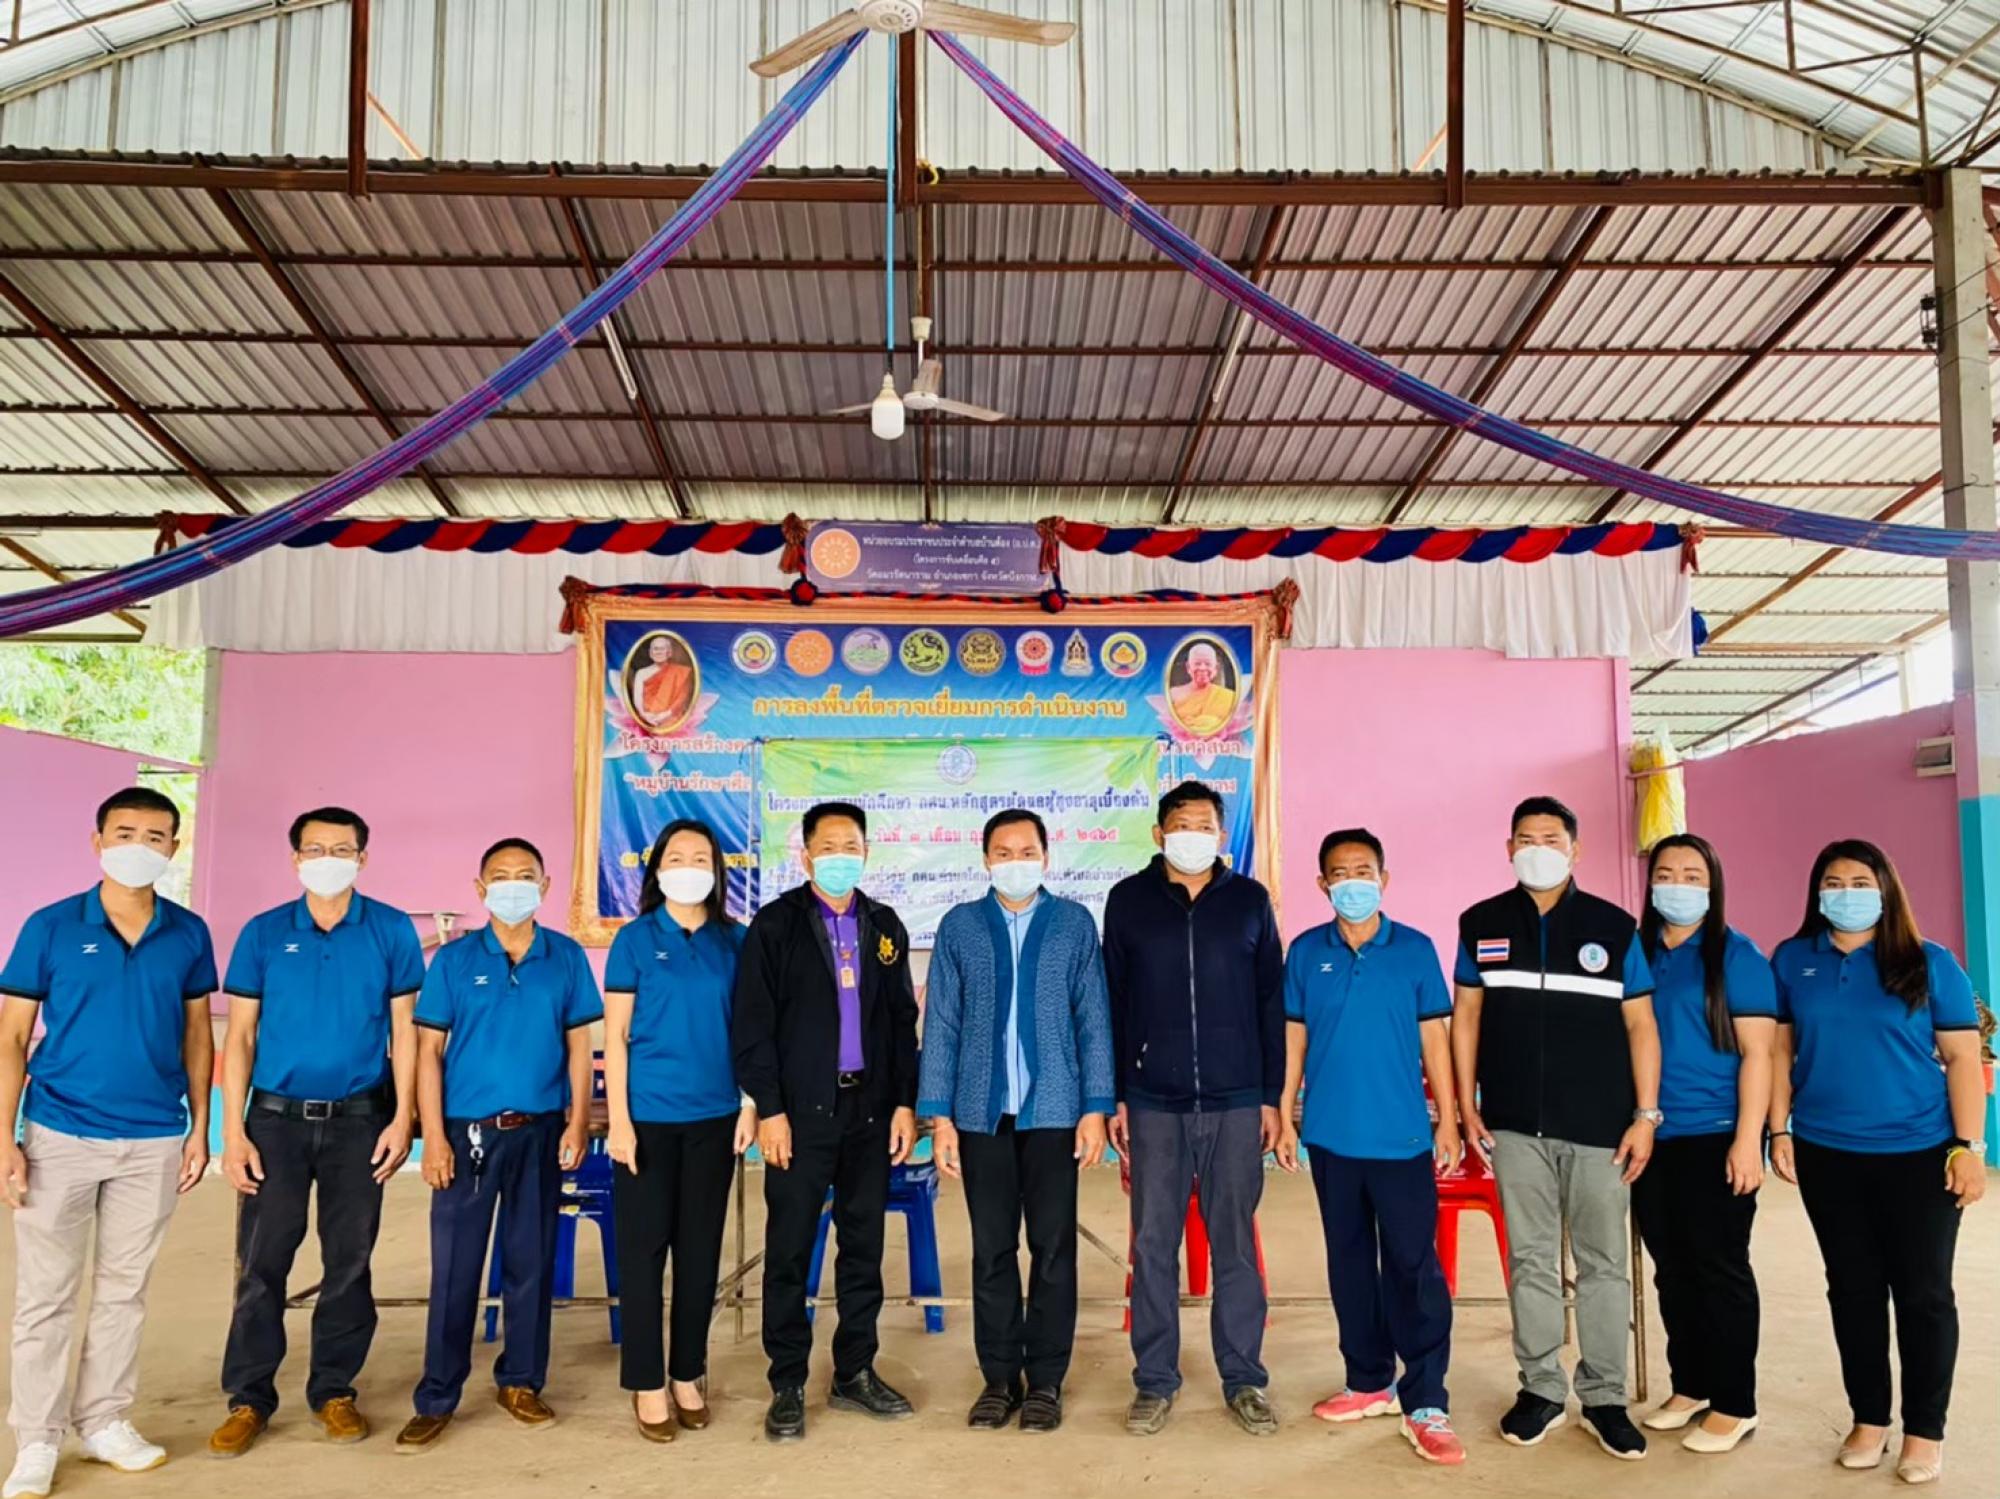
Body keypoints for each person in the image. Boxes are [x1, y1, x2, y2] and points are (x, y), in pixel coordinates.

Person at [0, 789, 216, 1499]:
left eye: (155, 836)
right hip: (59, 1132)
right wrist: (4, 1137)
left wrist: (198, 1128)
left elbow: (197, 1033)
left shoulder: (188, 933)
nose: (139, 846)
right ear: (97, 841)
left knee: (125, 1291)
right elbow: (11, 1037)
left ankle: (104, 1422)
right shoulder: (51, 926)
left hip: (152, 1138)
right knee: (45, 1297)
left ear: (173, 848)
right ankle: (36, 1439)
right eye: (125, 833)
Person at [1767, 840, 1986, 1486]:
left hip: (1918, 1156)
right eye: (1833, 882)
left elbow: (1964, 1059)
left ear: (1886, 889)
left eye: (1860, 882)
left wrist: (1969, 1148)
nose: (1846, 893)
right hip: (1827, 1153)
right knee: (1853, 1290)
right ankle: (1869, 1417)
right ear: (1817, 893)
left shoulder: (1928, 962)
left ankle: (1924, 1430)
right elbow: (1779, 1052)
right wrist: (1779, 1129)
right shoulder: (1793, 960)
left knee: (1923, 1294)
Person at [209, 807, 424, 1458]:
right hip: (274, 1123)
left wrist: (403, 1117)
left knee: (348, 1262)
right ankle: (249, 1397)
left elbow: (406, 1031)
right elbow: (240, 1037)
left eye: (341, 848)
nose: (327, 859)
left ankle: (334, 1389)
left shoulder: (390, 929)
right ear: (295, 857)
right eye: (314, 848)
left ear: (363, 857)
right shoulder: (264, 932)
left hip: (360, 1120)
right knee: (262, 1262)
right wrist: (232, 1132)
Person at [1451, 795, 1660, 1461]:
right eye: (1525, 838)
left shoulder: (1614, 926)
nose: (1537, 849)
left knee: (1603, 1263)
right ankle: (1540, 1387)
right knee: (1531, 1260)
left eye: (1550, 838)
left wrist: (1646, 1115)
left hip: (1602, 1127)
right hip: (1514, 1126)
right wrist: (1465, 1103)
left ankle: (1604, 1395)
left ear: (1576, 849)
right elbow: (1466, 1017)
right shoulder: (1481, 922)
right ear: (1508, 848)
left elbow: (1640, 1024)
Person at [395, 838, 600, 1451]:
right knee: (456, 1268)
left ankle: (521, 1381)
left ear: (545, 886)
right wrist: (433, 1137)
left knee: (530, 1262)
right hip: (467, 1135)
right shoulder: (454, 962)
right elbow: (429, 1052)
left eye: (525, 875)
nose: (514, 885)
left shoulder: (564, 957)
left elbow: (578, 1047)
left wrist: (576, 1123)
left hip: (539, 1131)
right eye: (501, 876)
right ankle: (438, 1395)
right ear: (481, 889)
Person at [918, 809, 1114, 1434]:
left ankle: (1047, 1380)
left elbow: (1093, 1019)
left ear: (1046, 857)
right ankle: (1000, 1378)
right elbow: (941, 1024)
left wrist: (1095, 1108)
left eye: (1027, 851)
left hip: (1054, 1112)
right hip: (981, 1115)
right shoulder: (960, 926)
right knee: (992, 1249)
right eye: (1003, 852)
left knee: (1053, 1249)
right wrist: (940, 1119)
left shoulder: (1073, 925)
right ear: (986, 860)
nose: (1015, 861)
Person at [1275, 828, 1464, 1466]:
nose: (1352, 882)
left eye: (1363, 871)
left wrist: (1448, 1120)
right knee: (1349, 1262)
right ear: (1322, 884)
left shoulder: (1414, 949)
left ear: (1383, 879)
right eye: (1339, 873)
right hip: (1330, 1137)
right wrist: (1285, 1111)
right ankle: (1368, 1381)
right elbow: (1294, 1037)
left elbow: (1435, 1039)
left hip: (1402, 1137)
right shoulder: (1306, 951)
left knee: (1413, 1265)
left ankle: (1427, 1398)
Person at [732, 802, 920, 1443]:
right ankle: (787, 1381)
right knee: (789, 1251)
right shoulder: (776, 924)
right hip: (799, 1118)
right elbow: (752, 1025)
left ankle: (853, 1373)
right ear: (806, 854)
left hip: (869, 1115)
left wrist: (903, 1103)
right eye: (829, 845)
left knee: (863, 1250)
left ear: (866, 853)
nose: (842, 856)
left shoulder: (883, 925)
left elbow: (901, 1022)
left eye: (852, 845)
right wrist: (770, 1110)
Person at [1103, 779, 1284, 1438]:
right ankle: (1154, 1380)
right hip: (1153, 1100)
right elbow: (1113, 1001)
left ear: (1221, 834)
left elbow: (1271, 1000)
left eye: (1205, 824)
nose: (1193, 835)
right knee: (1154, 1242)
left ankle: (1244, 1377)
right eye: (1181, 824)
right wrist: (1117, 1093)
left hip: (1236, 1101)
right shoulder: (1128, 901)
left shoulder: (1249, 901)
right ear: (1159, 834)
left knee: (1235, 1241)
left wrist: (1271, 1097)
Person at [603, 820, 756, 1443]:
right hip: (646, 1121)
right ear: (657, 868)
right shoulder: (635, 940)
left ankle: (688, 1373)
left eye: (700, 857)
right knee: (643, 1256)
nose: (687, 867)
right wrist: (618, 1122)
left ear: (716, 870)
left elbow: (751, 1033)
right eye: (676, 857)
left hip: (714, 1119)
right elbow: (615, 1037)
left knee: (699, 1255)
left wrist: (749, 1104)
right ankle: (647, 1382)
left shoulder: (735, 941)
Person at [1630, 834, 1776, 1455]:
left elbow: (1760, 1054)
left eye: (1693, 875)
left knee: (1720, 1268)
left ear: (1712, 886)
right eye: (1667, 873)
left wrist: (1748, 1140)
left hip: (1716, 1133)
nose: (1678, 885)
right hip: (1651, 1135)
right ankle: (1690, 1385)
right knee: (1673, 1268)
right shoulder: (1637, 951)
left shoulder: (1737, 956)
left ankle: (1735, 1402)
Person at [1168, 643, 1236, 737]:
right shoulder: (1173, 694)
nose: (1202, 668)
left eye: (1208, 664)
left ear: (1215, 668)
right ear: (1188, 667)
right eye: (1197, 663)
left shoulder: (1229, 697)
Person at [634, 636, 694, 728]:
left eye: (662, 649)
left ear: (669, 653)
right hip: (646, 718)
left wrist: (666, 714)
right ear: (650, 653)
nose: (659, 652)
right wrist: (644, 715)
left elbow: (682, 698)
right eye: (656, 649)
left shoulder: (680, 672)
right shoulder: (641, 673)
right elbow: (638, 697)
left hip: (671, 719)